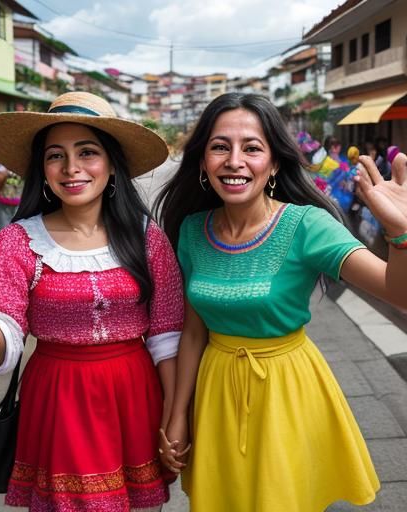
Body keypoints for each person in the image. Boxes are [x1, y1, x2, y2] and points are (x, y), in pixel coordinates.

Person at [0, 91, 184, 512]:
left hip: (136, 398)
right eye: (56, 155)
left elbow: (167, 336)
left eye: (87, 152)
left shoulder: (147, 237)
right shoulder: (16, 242)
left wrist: (174, 417)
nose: (71, 168)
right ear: (42, 168)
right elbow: (2, 353)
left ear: (112, 164)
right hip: (58, 401)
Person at [156, 93, 407, 511]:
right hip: (216, 392)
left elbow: (399, 294)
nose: (235, 160)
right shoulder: (192, 230)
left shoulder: (307, 225)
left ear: (273, 163)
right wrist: (178, 412)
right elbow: (194, 330)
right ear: (203, 162)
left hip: (286, 392)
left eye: (252, 148)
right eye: (220, 147)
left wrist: (400, 235)